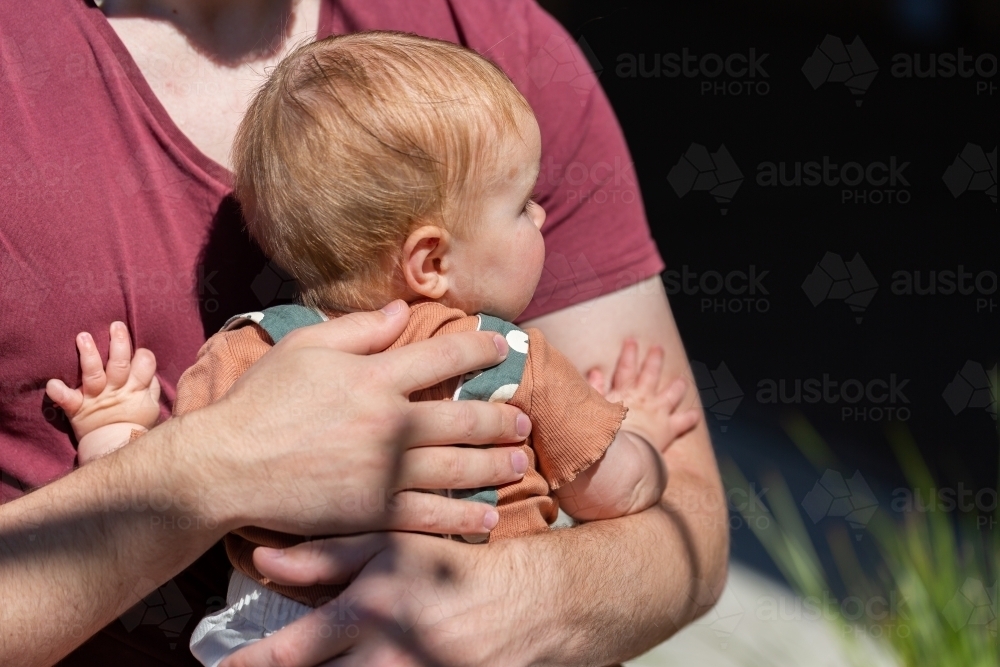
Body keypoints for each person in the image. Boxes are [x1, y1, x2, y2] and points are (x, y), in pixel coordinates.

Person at [0, 1, 728, 665]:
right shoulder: (514, 358)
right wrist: (643, 445)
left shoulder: (247, 347)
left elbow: (139, 486)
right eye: (523, 208)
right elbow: (618, 487)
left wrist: (118, 430)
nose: (542, 218)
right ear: (431, 260)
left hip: (264, 629)